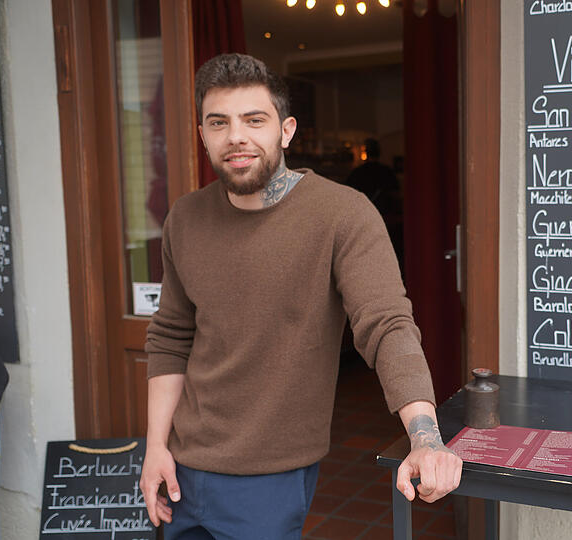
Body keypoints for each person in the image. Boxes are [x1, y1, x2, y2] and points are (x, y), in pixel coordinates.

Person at [140, 53, 462, 539]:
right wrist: (155, 447)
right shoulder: (184, 218)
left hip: (270, 474)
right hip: (182, 467)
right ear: (202, 133)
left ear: (285, 130)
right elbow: (170, 336)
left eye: (254, 120)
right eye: (219, 123)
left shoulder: (342, 215)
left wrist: (426, 438)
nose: (236, 137)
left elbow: (387, 325)